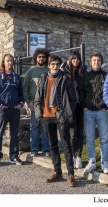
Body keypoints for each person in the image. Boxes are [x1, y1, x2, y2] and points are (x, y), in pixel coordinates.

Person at [34, 55, 77, 187]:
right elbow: (37, 98)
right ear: (49, 65)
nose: (55, 66)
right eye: (52, 64)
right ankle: (57, 172)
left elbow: (73, 99)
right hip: (46, 117)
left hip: (61, 117)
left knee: (66, 145)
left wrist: (67, 114)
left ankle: (70, 174)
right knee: (52, 145)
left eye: (57, 64)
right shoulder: (43, 79)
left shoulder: (65, 79)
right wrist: (39, 115)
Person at [0, 54, 25, 167]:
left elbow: (21, 94)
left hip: (14, 110)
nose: (10, 63)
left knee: (14, 134)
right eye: (7, 61)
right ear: (3, 63)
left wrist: (20, 104)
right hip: (2, 109)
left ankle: (14, 156)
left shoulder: (17, 77)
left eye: (11, 61)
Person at [79, 52, 108, 174]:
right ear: (90, 62)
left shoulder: (106, 75)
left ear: (101, 62)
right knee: (90, 139)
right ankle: (92, 161)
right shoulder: (85, 76)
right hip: (88, 112)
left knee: (104, 138)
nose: (96, 62)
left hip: (102, 111)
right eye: (94, 60)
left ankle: (104, 162)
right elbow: (81, 92)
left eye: (98, 60)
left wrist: (106, 107)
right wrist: (83, 106)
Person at [60, 50, 87, 169]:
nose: (76, 61)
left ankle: (78, 156)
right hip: (69, 106)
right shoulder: (64, 72)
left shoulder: (83, 71)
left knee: (80, 132)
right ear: (70, 59)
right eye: (73, 59)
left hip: (80, 106)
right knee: (72, 133)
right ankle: (71, 155)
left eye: (78, 59)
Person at [23, 48, 50, 157]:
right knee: (34, 126)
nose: (41, 58)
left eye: (43, 57)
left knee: (45, 127)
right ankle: (34, 149)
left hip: (47, 104)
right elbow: (25, 88)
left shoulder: (49, 70)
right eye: (39, 57)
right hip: (34, 104)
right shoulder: (31, 71)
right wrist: (29, 102)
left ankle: (46, 148)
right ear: (36, 58)